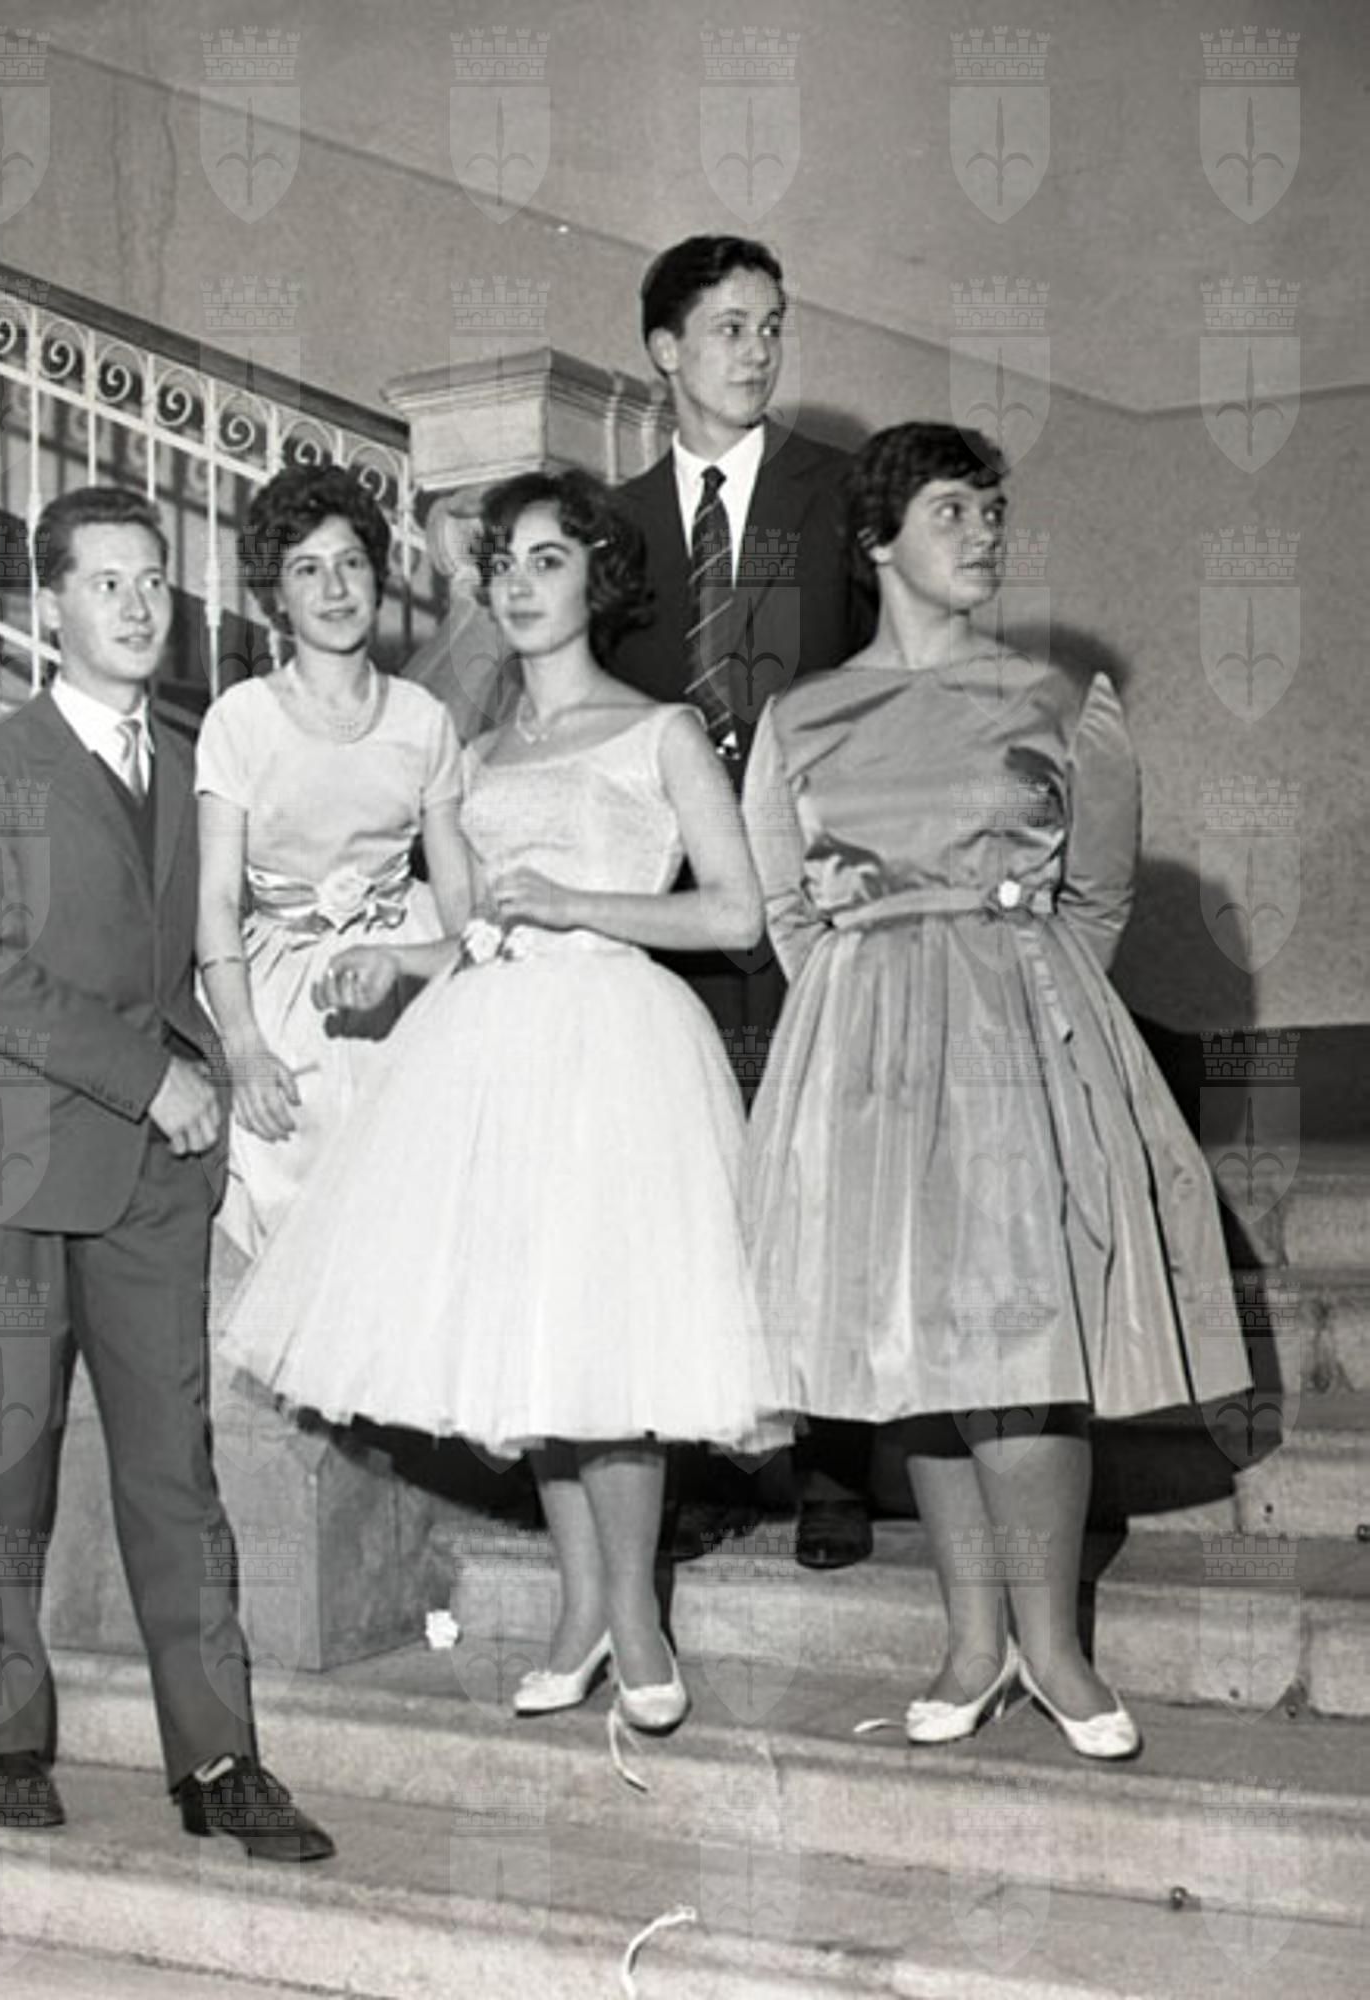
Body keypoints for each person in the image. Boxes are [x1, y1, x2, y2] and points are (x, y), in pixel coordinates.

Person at [222, 469, 789, 1735]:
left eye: (549, 560)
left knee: (614, 1337)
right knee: (532, 1334)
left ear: (597, 578)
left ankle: (634, 1615)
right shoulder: (469, 753)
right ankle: (577, 1610)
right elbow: (481, 927)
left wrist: (579, 901)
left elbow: (735, 914)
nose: (522, 586)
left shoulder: (662, 731)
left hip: (614, 1041)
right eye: (506, 566)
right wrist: (401, 959)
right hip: (490, 1041)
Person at [740, 424, 1250, 1758]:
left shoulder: (1054, 701)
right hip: (863, 1057)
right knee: (917, 1352)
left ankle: (1056, 1651)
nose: (983, 535)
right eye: (950, 513)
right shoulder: (798, 718)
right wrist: (871, 1009)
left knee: (1021, 1349)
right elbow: (787, 912)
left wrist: (1010, 998)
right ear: (876, 541)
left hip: (1014, 1042)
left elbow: (1096, 898)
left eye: (990, 512)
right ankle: (971, 1646)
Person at [0, 485, 333, 1860]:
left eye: (154, 580)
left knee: (174, 1469)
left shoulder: (200, 764)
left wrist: (233, 1057)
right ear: (49, 603)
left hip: (154, 1176)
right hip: (3, 1167)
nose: (140, 604)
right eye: (107, 582)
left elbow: (210, 949)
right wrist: (153, 1076)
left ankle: (217, 1758)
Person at [612, 232, 878, 1571]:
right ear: (664, 349)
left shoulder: (836, 492)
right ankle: (701, 1455)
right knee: (685, 1181)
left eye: (771, 326)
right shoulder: (611, 524)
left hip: (812, 892)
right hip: (671, 911)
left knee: (814, 1174)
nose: (757, 349)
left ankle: (831, 1466)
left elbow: (883, 674)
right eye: (728, 327)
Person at [196, 464, 470, 1257]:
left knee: (421, 1227)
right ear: (275, 596)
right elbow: (215, 900)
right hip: (283, 1001)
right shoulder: (240, 720)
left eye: (350, 562)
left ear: (377, 576)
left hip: (407, 983)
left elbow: (459, 894)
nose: (334, 587)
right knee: (303, 1235)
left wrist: (468, 991)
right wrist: (244, 1048)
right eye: (305, 569)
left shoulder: (421, 718)